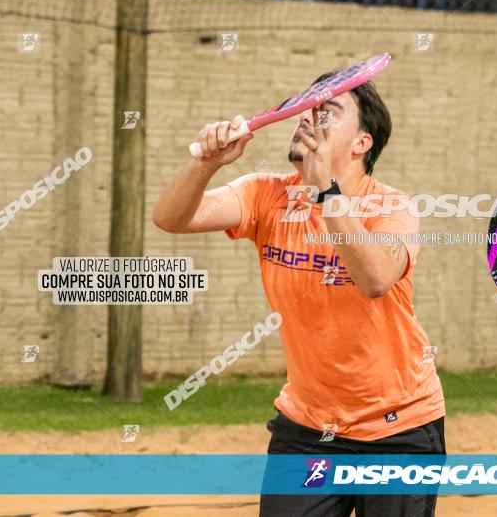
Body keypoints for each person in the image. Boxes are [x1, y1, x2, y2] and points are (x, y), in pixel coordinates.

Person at [153, 73, 445, 517]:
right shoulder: (265, 194)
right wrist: (206, 164)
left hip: (398, 428)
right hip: (308, 428)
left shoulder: (393, 207)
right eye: (308, 109)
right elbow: (171, 219)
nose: (309, 118)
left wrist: (325, 190)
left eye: (328, 112)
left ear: (361, 143)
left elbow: (375, 279)